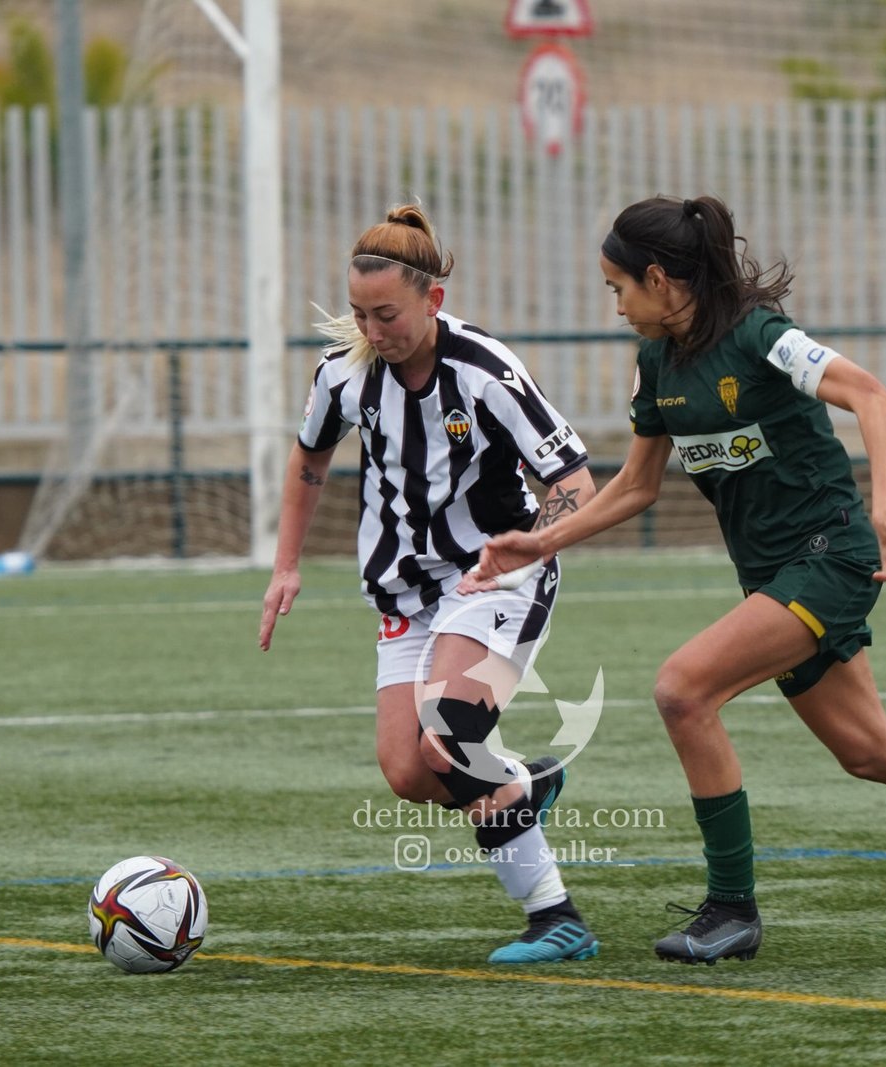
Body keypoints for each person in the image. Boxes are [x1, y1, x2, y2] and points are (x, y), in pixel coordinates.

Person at [465, 194, 886, 964]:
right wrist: (542, 540)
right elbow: (635, 486)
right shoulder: (656, 364)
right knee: (871, 750)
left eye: (618, 287)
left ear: (659, 279)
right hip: (774, 575)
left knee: (683, 689)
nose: (616, 304)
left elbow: (873, 397)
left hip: (829, 557)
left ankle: (732, 908)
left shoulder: (762, 337)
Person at [259, 204, 601, 963]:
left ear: (432, 300)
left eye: (386, 315)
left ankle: (557, 918)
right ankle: (519, 784)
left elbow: (575, 480)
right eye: (359, 313)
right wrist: (286, 564)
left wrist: (537, 543)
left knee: (450, 741)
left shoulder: (485, 372)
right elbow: (308, 460)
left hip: (493, 581)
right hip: (405, 595)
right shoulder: (345, 374)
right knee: (408, 770)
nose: (373, 331)